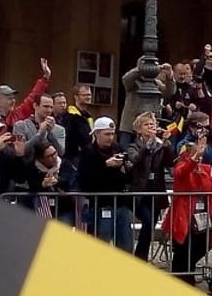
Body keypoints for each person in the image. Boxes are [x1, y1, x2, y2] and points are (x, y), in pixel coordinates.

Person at [162, 139, 212, 285]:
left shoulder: (206, 169)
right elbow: (183, 172)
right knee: (183, 249)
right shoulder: (180, 167)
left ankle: (187, 272)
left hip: (203, 216)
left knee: (202, 245)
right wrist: (193, 160)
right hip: (184, 216)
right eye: (195, 154)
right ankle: (180, 277)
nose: (199, 156)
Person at [77, 117, 134, 252]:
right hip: (101, 204)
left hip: (120, 203)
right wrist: (106, 165)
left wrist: (124, 168)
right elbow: (84, 178)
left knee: (126, 244)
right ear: (97, 134)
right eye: (106, 134)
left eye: (112, 134)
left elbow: (129, 177)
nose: (110, 137)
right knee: (101, 242)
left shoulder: (118, 148)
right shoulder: (88, 152)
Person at [127, 111, 175, 262]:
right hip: (139, 191)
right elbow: (136, 161)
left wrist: (166, 143)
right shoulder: (133, 146)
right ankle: (140, 257)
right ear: (139, 129)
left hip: (156, 190)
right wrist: (147, 147)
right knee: (147, 222)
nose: (150, 127)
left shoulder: (160, 145)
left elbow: (169, 162)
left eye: (152, 124)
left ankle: (141, 257)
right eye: (146, 125)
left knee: (150, 227)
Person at [25, 141, 76, 226]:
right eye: (49, 156)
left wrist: (57, 180)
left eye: (55, 153)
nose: (54, 157)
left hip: (63, 208)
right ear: (40, 159)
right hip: (40, 208)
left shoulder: (65, 164)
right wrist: (42, 184)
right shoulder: (32, 167)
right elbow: (30, 185)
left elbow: (71, 179)